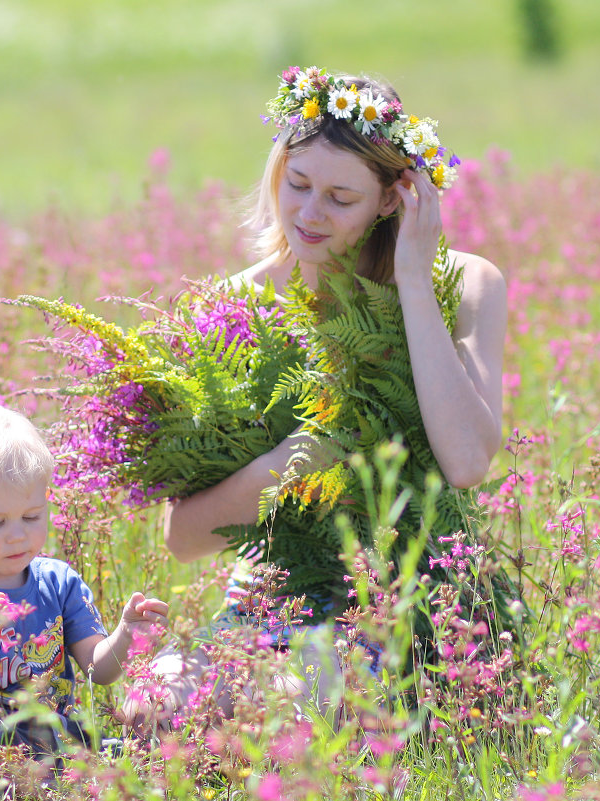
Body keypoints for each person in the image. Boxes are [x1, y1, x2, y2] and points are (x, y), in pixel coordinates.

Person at [122, 66, 506, 730]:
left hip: (409, 607)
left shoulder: (466, 285)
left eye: (339, 197)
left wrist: (414, 280)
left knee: (277, 710)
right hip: (271, 607)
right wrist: (288, 463)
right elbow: (183, 538)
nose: (308, 213)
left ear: (393, 199)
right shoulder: (234, 309)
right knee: (148, 706)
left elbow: (468, 459)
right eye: (296, 184)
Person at [0, 401, 169, 795]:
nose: (17, 534)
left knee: (113, 747)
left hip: (51, 732)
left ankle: (48, 781)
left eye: (31, 516)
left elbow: (99, 671)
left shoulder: (59, 582)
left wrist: (126, 633)